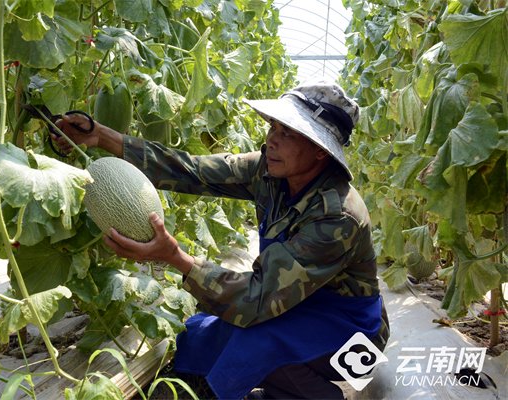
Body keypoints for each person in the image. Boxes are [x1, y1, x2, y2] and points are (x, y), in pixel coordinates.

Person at [55, 81, 390, 400]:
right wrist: (100, 136)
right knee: (207, 331)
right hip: (303, 307)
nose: (273, 139)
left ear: (319, 151)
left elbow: (256, 301)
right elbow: (190, 170)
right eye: (274, 127)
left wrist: (174, 257)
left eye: (288, 133)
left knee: (256, 341)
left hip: (356, 339)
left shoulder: (335, 216)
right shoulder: (269, 170)